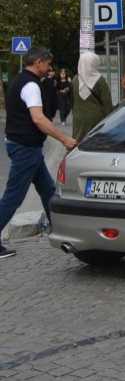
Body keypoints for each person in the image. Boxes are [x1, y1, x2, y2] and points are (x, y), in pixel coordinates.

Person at [1, 47, 77, 260]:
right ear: (38, 62)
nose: (49, 68)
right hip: (25, 147)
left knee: (47, 189)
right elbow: (39, 119)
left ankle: (60, 229)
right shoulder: (31, 85)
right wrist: (64, 139)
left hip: (25, 146)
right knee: (13, 197)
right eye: (48, 63)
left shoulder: (18, 80)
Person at [72, 52, 114, 142]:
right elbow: (107, 103)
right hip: (96, 119)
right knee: (93, 142)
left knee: (78, 142)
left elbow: (72, 100)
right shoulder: (100, 80)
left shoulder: (75, 80)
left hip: (78, 118)